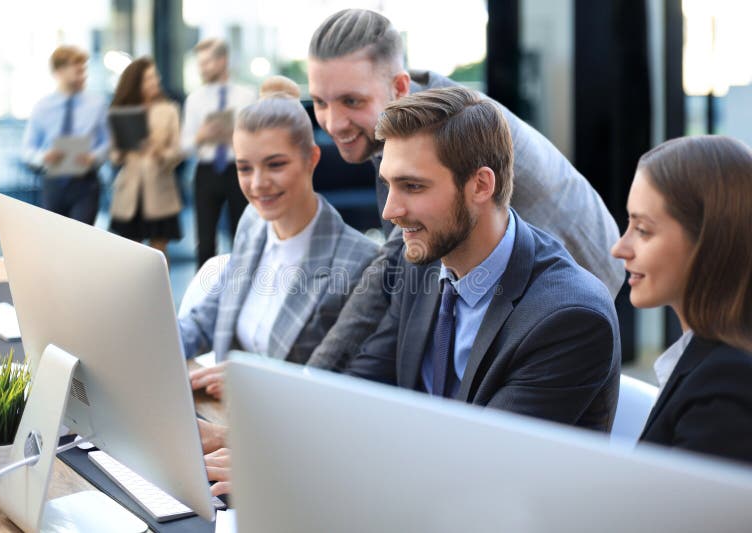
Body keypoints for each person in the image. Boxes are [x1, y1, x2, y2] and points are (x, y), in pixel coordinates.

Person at [204, 86, 621, 497]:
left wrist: (293, 468)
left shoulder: (568, 318)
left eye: (413, 187)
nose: (389, 211)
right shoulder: (421, 263)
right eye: (388, 185)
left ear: (480, 186)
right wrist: (256, 441)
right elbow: (359, 387)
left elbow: (480, 474)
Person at [304, 9, 625, 371]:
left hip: (581, 270)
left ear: (400, 87)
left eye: (351, 101)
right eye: (319, 102)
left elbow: (387, 276)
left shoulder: (433, 130)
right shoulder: (402, 114)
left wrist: (307, 377)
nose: (333, 122)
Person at [180, 77, 380, 437]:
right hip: (222, 421)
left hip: (291, 441)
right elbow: (206, 318)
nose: (257, 184)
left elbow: (351, 392)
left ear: (311, 159)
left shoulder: (360, 263)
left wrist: (256, 382)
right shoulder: (253, 223)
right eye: (244, 168)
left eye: (274, 165)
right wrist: (140, 349)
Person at [611, 135, 752, 464]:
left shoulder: (726, 385)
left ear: (709, 242)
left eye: (643, 230)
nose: (620, 248)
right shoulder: (709, 359)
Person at [181, 38, 257, 268]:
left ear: (222, 61)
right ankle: (205, 296)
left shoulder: (247, 96)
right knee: (205, 242)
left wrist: (237, 135)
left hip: (239, 170)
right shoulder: (194, 100)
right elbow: (184, 146)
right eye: (200, 63)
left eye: (206, 63)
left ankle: (244, 292)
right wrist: (201, 136)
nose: (201, 68)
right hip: (206, 171)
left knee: (242, 237)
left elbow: (258, 139)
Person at [21, 45, 108, 224]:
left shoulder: (97, 104)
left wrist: (94, 157)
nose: (82, 75)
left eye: (84, 70)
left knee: (80, 241)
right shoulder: (42, 107)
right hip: (53, 182)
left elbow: (108, 142)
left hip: (86, 183)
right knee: (54, 241)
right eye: (77, 70)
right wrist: (43, 157)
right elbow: (27, 150)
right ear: (59, 71)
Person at [108, 57, 183, 257]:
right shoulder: (121, 111)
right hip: (130, 192)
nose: (154, 82)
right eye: (148, 78)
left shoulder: (169, 110)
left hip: (160, 190)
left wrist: (160, 153)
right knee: (131, 256)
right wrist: (125, 147)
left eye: (155, 77)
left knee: (159, 254)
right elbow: (114, 156)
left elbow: (177, 151)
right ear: (136, 83)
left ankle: (158, 290)